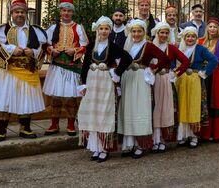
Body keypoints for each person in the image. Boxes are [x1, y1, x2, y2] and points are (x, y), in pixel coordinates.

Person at [77, 16, 132, 163]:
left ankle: (104, 148)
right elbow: (84, 67)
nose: (103, 31)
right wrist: (82, 84)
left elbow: (127, 58)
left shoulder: (112, 47)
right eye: (101, 28)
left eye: (106, 28)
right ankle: (95, 147)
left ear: (110, 30)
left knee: (103, 113)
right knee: (92, 113)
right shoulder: (90, 47)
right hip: (92, 82)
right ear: (97, 30)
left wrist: (116, 72)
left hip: (105, 83)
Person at [0, 0, 47, 141]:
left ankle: (25, 128)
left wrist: (33, 52)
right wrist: (12, 49)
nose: (20, 15)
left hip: (28, 70)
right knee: (4, 100)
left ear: (26, 14)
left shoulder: (36, 31)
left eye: (22, 12)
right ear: (12, 13)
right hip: (8, 71)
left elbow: (43, 47)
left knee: (26, 100)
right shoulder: (2, 30)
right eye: (17, 12)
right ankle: (1, 130)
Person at [118, 19, 170, 159]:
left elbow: (164, 59)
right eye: (134, 31)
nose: (136, 34)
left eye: (139, 31)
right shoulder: (127, 46)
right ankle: (129, 144)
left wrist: (153, 69)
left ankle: (140, 145)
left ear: (144, 32)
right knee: (128, 109)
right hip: (127, 79)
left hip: (141, 80)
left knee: (140, 109)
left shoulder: (149, 46)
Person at [43, 0, 89, 136]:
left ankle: (70, 125)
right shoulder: (53, 27)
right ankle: (54, 124)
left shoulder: (78, 27)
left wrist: (74, 50)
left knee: (71, 97)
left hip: (71, 66)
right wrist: (52, 50)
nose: (66, 13)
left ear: (72, 12)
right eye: (64, 10)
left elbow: (85, 45)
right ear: (60, 11)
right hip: (57, 66)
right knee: (55, 97)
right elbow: (45, 43)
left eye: (69, 11)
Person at [150, 22, 190, 153]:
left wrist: (175, 73)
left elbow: (185, 61)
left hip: (166, 80)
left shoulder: (171, 48)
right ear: (157, 33)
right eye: (161, 32)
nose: (164, 35)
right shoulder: (150, 47)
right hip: (152, 80)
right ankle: (153, 139)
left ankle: (161, 140)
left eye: (166, 33)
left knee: (164, 108)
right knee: (153, 108)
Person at [175, 26, 217, 148]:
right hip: (182, 80)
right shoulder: (180, 48)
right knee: (183, 105)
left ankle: (194, 135)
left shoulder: (200, 49)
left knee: (193, 106)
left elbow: (214, 60)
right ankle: (183, 135)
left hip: (195, 80)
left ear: (196, 38)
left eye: (193, 36)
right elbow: (172, 60)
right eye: (188, 36)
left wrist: (203, 73)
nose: (190, 38)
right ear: (184, 37)